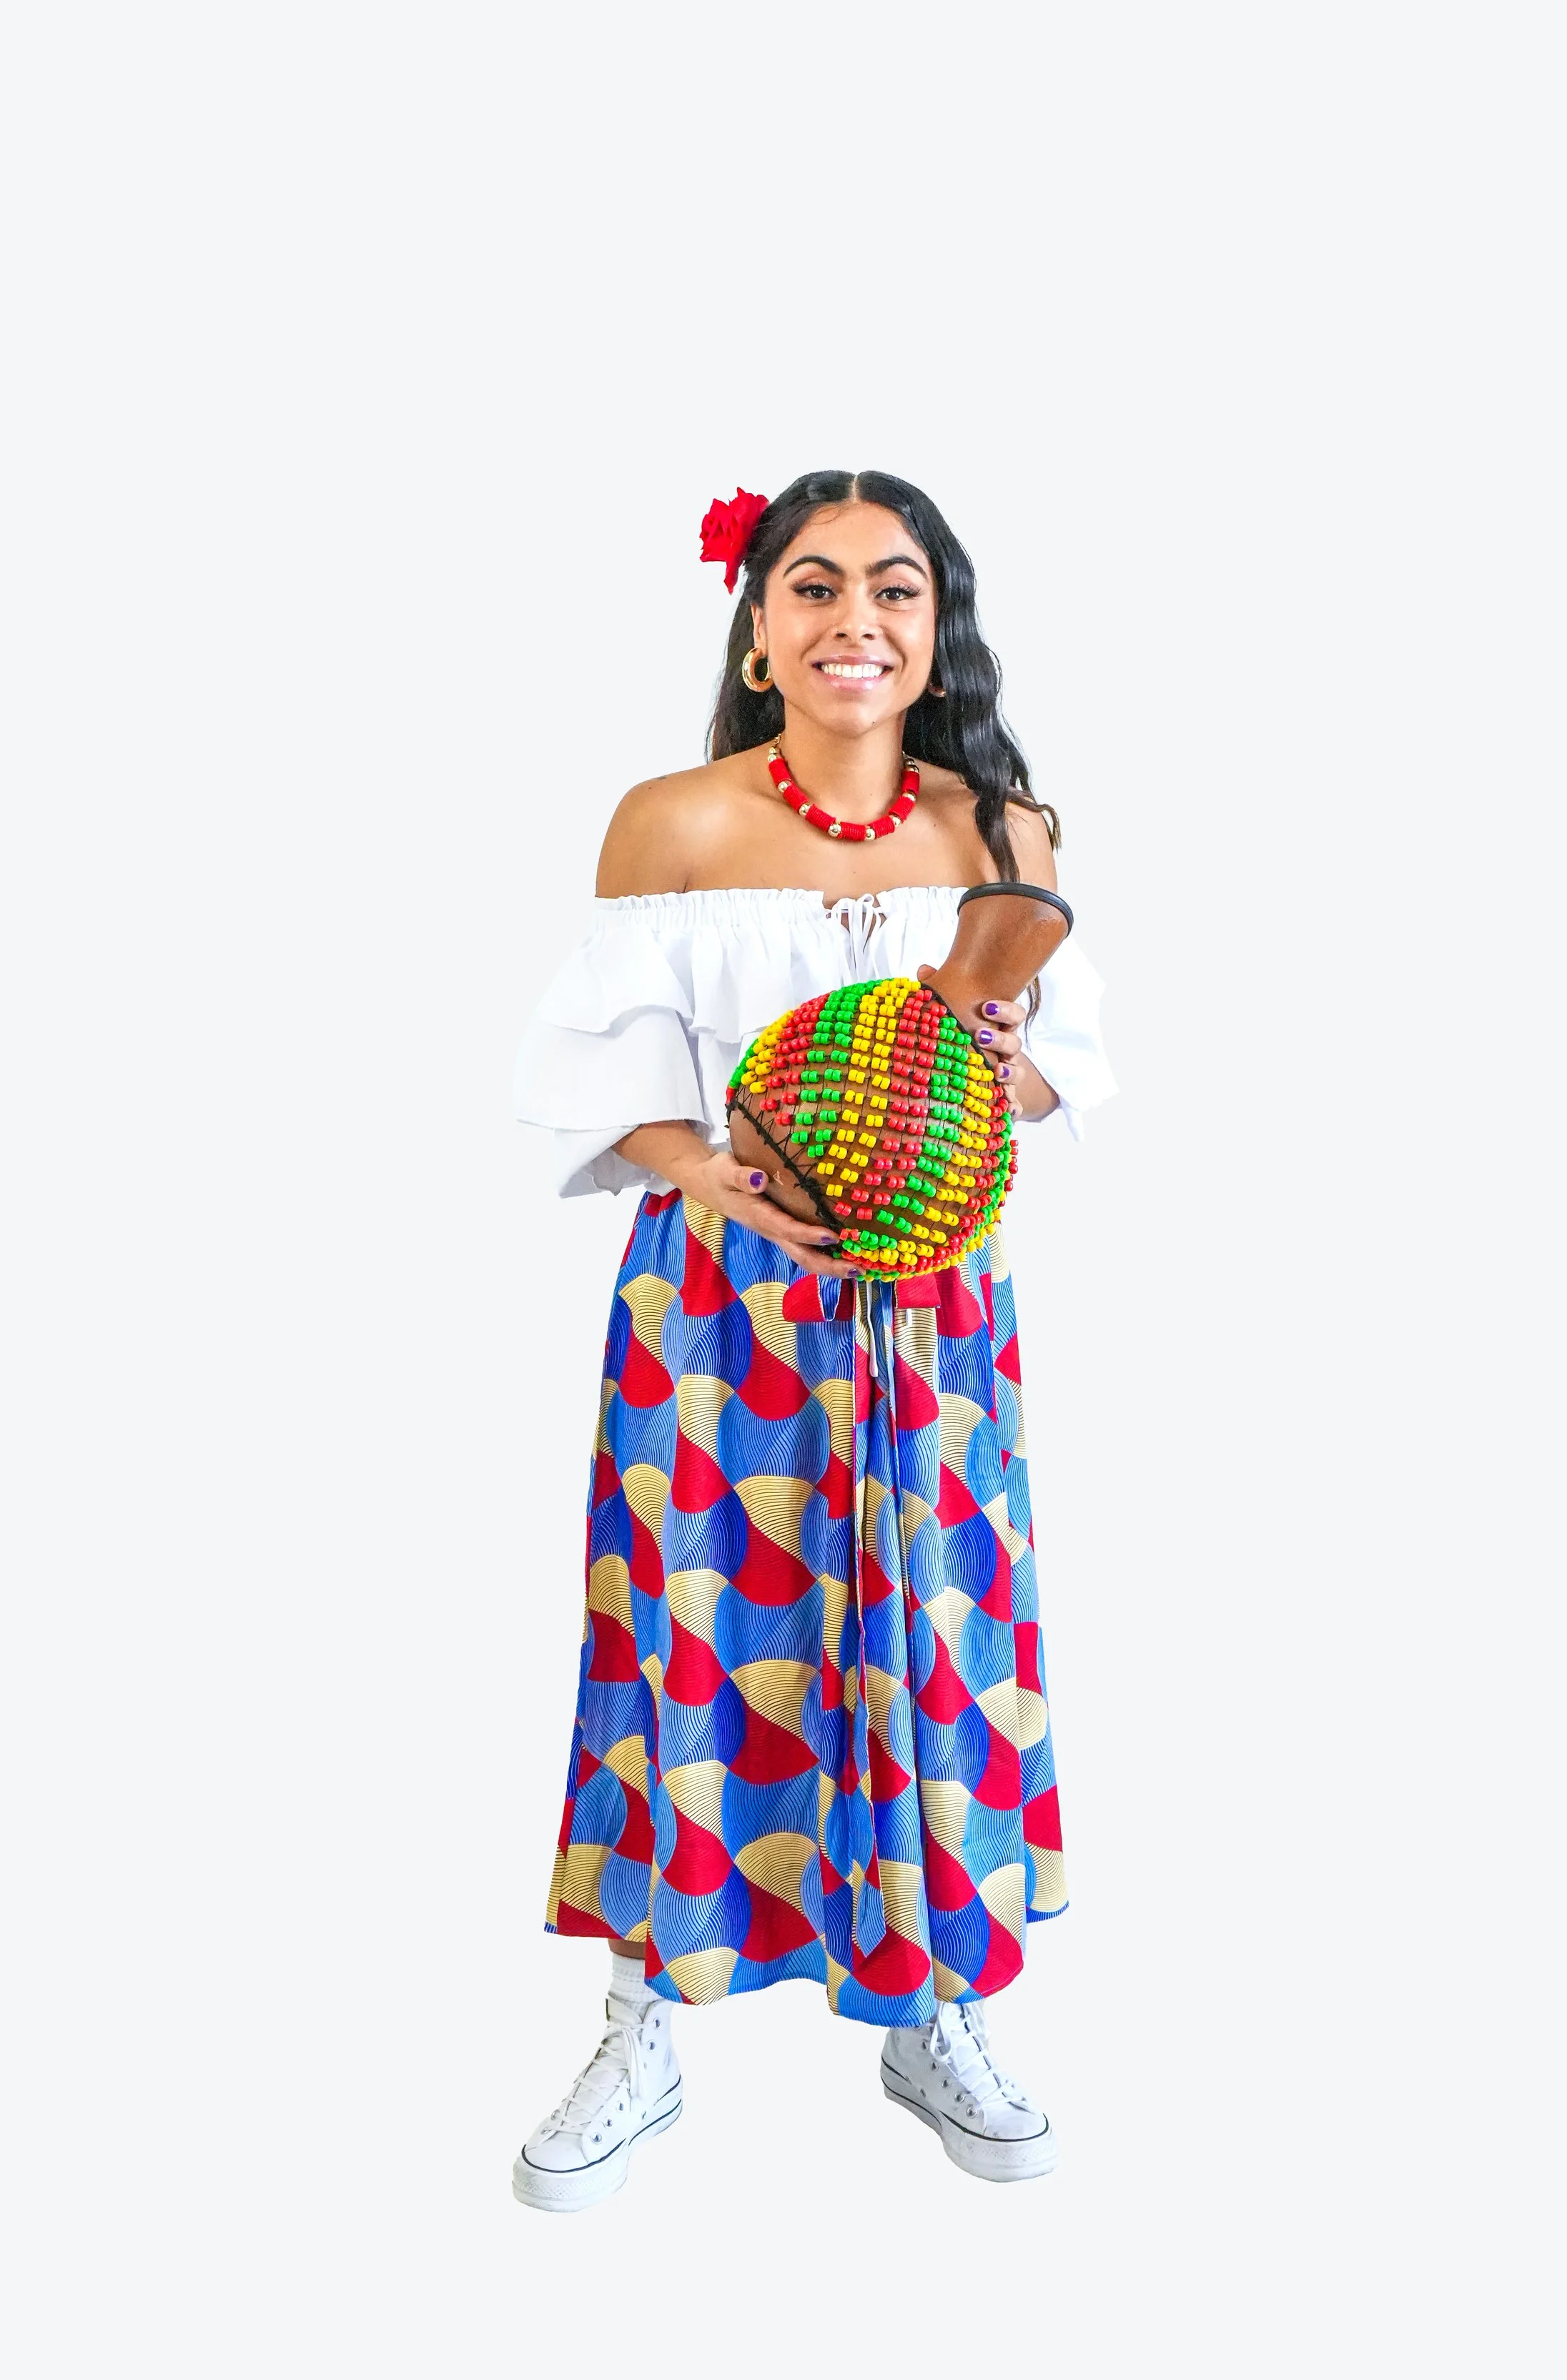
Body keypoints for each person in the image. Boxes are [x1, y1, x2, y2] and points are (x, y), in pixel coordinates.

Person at [510, 470, 1114, 2208]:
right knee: (692, 1631)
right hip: (715, 1301)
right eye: (815, 585)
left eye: (897, 588)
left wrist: (986, 1062)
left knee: (934, 1634)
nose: (857, 616)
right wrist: (709, 1161)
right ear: (758, 629)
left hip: (932, 1316)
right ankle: (644, 2018)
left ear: (940, 630)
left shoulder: (1005, 835)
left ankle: (937, 2003)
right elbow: (596, 1071)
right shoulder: (670, 822)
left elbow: (1060, 1059)